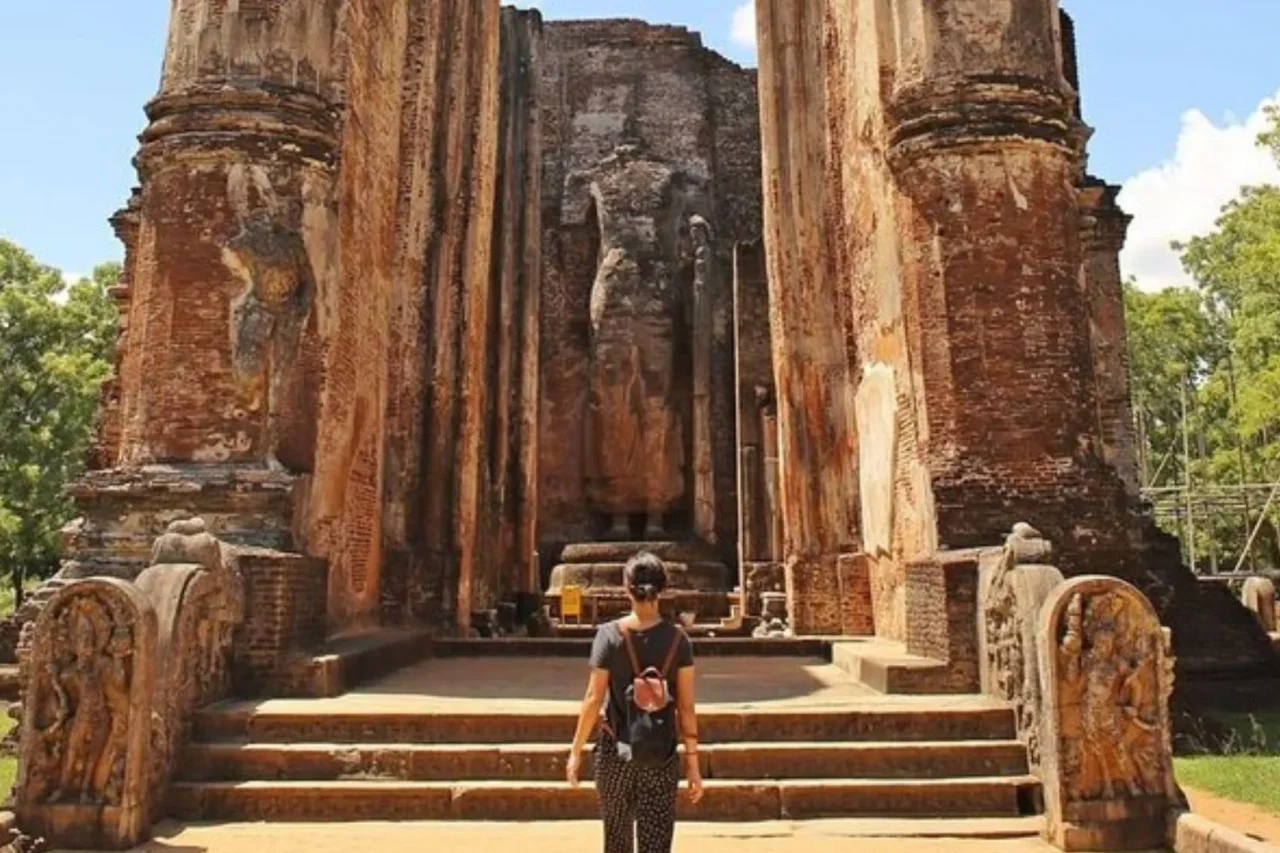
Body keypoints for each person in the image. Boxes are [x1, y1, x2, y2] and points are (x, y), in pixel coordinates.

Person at [567, 551, 703, 852]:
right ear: (662, 589)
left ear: (626, 588)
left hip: (615, 752)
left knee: (616, 841)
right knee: (656, 844)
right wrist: (693, 765)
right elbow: (687, 707)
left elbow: (593, 698)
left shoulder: (608, 636)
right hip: (661, 753)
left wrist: (575, 752)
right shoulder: (679, 641)